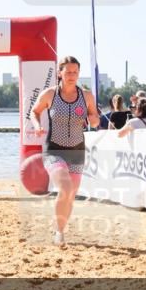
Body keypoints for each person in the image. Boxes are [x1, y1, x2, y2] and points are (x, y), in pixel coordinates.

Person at [29, 56, 100, 247]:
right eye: (67, 72)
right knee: (65, 188)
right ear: (60, 73)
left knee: (70, 195)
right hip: (54, 149)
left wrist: (94, 120)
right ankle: (59, 233)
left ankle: (59, 227)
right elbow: (34, 112)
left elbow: (94, 118)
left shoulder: (86, 96)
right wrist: (36, 125)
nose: (71, 75)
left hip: (77, 150)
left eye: (75, 72)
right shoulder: (50, 94)